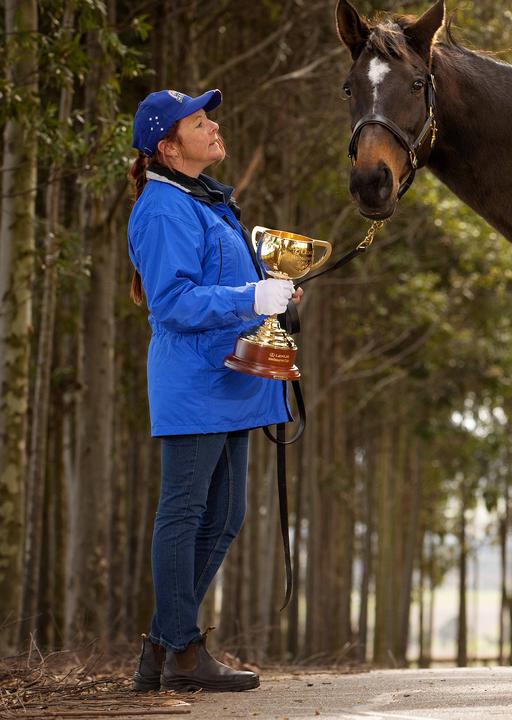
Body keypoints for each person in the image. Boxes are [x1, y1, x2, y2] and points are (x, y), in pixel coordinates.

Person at [126, 88, 298, 692]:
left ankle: (164, 647)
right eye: (199, 122)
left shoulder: (205, 202)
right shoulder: (163, 208)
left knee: (224, 517)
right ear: (169, 148)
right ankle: (181, 650)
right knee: (186, 513)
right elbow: (172, 303)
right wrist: (249, 298)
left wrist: (273, 297)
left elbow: (222, 287)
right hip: (195, 383)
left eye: (210, 117)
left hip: (230, 380)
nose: (213, 126)